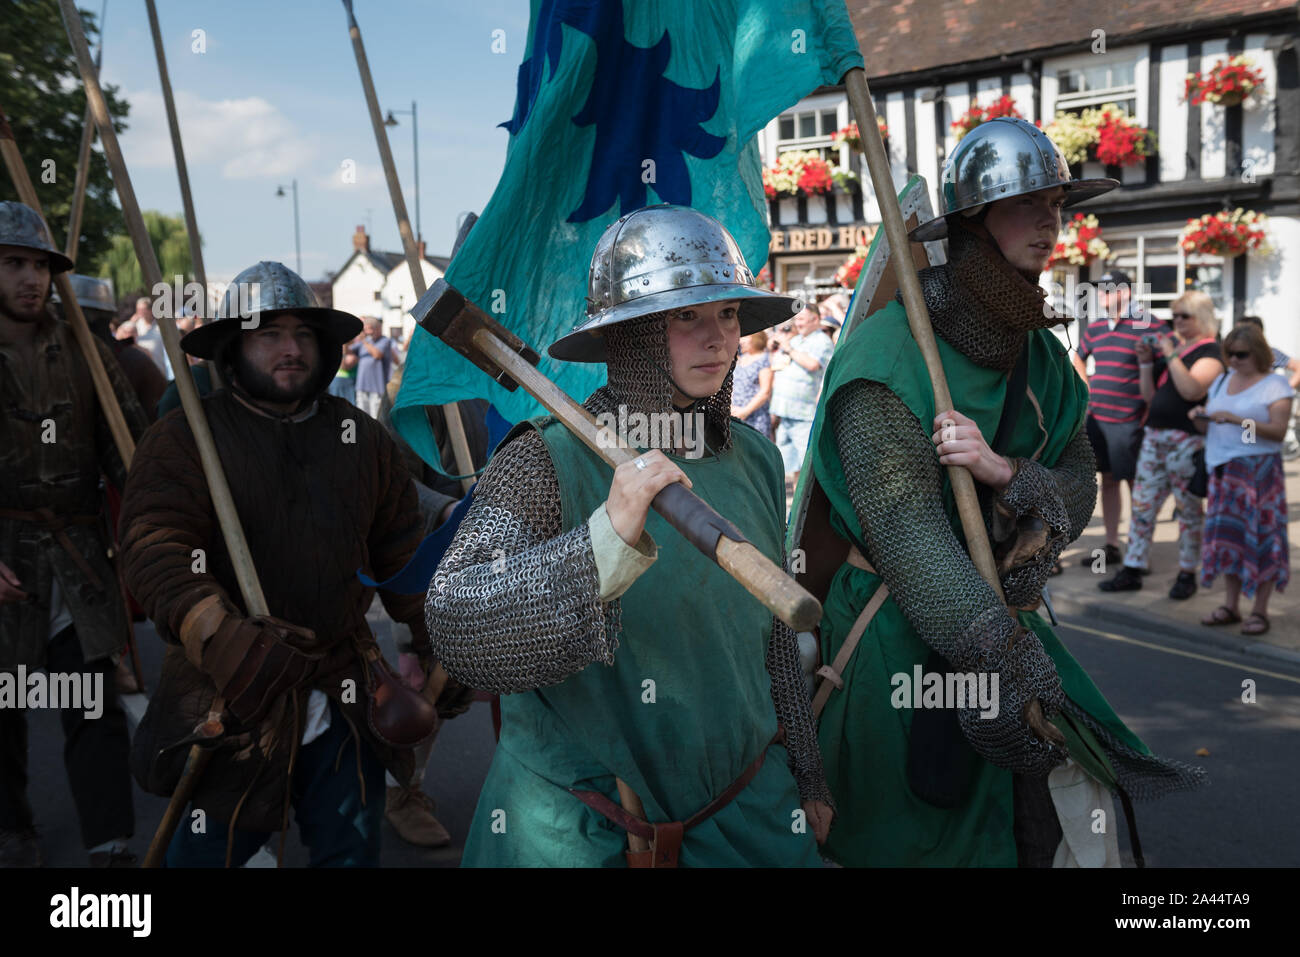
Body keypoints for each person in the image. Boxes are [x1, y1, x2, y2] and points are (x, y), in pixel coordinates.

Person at [799, 118, 1202, 867]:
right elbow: (908, 535)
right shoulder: (887, 360)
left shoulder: (1042, 356)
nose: (1051, 222)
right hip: (899, 644)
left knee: (1043, 837)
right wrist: (992, 649)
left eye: (1058, 204)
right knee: (913, 839)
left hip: (1009, 629)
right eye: (1028, 205)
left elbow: (1078, 487)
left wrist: (1010, 474)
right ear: (975, 223)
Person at [426, 205, 833, 867]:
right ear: (632, 334)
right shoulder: (546, 461)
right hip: (585, 831)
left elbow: (773, 638)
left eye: (728, 313)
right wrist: (602, 542)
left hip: (744, 812)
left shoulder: (754, 459)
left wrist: (808, 772)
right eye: (686, 317)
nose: (719, 338)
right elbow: (459, 623)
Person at [118, 260, 471, 867]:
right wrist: (220, 635)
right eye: (268, 334)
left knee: (350, 854)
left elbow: (403, 552)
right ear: (234, 346)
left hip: (342, 688)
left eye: (303, 334)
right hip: (229, 700)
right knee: (206, 857)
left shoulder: (360, 439)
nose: (290, 349)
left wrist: (441, 637)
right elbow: (156, 549)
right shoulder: (185, 440)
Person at [0, 202, 149, 867]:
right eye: (13, 264)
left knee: (89, 702)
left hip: (77, 557)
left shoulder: (86, 350)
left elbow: (132, 452)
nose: (30, 278)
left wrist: (160, 524)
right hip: (5, 557)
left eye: (38, 265)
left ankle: (109, 836)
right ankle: (11, 827)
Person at [1099, 292, 1223, 598]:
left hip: (1187, 440)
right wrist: (1144, 364)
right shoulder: (1179, 350)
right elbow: (1150, 397)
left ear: (1202, 318)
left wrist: (1169, 354)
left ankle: (1186, 572)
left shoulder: (1210, 353)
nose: (1176, 321)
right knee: (1142, 504)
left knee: (1188, 509)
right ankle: (1133, 566)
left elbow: (1192, 390)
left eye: (1184, 316)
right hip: (1155, 437)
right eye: (1174, 316)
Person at [1192, 322, 1294, 636]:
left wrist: (1237, 420)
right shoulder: (1222, 381)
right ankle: (1231, 605)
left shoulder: (1276, 386)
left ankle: (1260, 611)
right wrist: (1200, 419)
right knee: (1229, 540)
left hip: (1258, 473)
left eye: (1242, 354)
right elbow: (1210, 429)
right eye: (1230, 354)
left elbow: (1277, 432)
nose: (1234, 360)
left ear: (1259, 353)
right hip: (1223, 472)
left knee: (1262, 539)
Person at [1072, 268, 1167, 569]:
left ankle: (1140, 552)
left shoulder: (1150, 325)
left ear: (1125, 293)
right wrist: (1085, 391)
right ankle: (1111, 546)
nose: (1101, 296)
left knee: (1137, 484)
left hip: (1131, 421)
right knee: (1109, 481)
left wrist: (1155, 409)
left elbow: (1170, 367)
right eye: (1099, 290)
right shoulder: (1096, 327)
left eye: (1108, 290)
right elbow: (1078, 357)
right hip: (1097, 418)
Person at [769, 303, 833, 483]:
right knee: (791, 465)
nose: (798, 323)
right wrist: (778, 341)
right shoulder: (796, 340)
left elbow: (812, 365)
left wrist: (788, 348)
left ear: (815, 319)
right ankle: (797, 506)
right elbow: (777, 363)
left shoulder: (822, 341)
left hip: (804, 413)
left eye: (802, 319)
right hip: (785, 411)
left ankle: (805, 508)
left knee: (807, 465)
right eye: (796, 319)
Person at [350, 317, 397, 418]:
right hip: (362, 385)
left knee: (376, 417)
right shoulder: (365, 342)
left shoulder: (385, 341)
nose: (368, 332)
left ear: (378, 328)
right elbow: (348, 351)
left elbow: (377, 355)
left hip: (377, 387)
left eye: (370, 329)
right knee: (363, 416)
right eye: (366, 329)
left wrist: (363, 341)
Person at [731, 330, 773, 439]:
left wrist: (745, 411)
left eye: (745, 337)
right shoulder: (739, 359)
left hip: (755, 417)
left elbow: (765, 391)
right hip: (734, 415)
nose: (741, 341)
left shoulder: (764, 359)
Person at [115, 295, 170, 378]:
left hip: (159, 371)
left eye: (142, 310)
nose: (140, 313)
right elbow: (119, 336)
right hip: (142, 371)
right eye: (138, 310)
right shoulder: (134, 326)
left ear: (151, 310)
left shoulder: (161, 328)